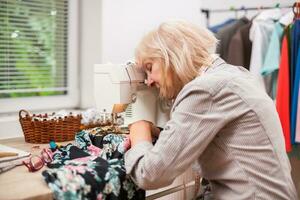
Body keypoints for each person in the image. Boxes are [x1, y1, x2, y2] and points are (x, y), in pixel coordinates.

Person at [124, 20, 298, 200]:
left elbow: (151, 174)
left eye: (150, 68)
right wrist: (162, 134)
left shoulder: (204, 89)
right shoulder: (233, 75)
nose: (149, 81)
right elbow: (222, 144)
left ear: (171, 57)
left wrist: (139, 132)